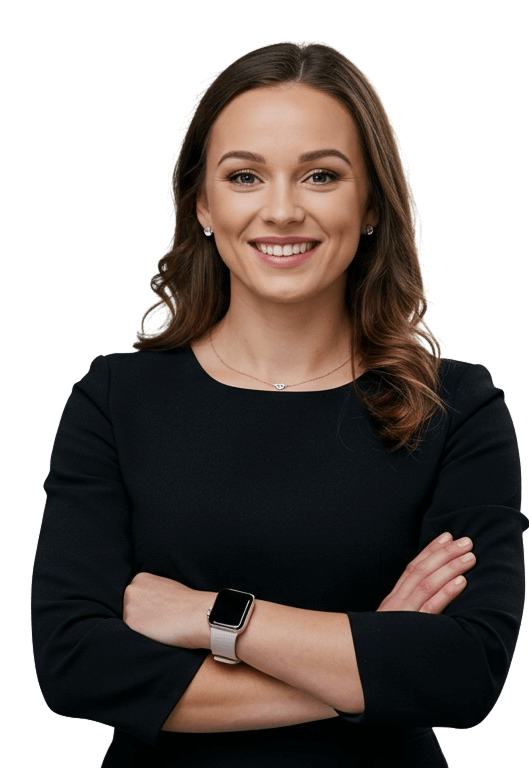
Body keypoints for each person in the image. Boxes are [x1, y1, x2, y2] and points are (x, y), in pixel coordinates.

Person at [32, 41, 525, 767]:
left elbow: (464, 671)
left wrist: (213, 617)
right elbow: (76, 664)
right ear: (203, 205)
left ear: (370, 204)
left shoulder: (456, 405)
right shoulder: (113, 399)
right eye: (245, 176)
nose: (283, 210)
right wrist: (371, 662)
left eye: (321, 175)